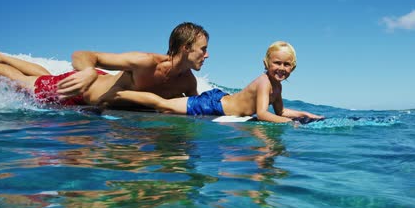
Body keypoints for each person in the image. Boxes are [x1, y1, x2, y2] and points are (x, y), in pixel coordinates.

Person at [0, 22, 210, 107]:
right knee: (24, 83)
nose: (207, 55)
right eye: (203, 49)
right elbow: (84, 54)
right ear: (186, 48)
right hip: (82, 90)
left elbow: (192, 107)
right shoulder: (145, 62)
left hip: (101, 83)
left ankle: (1, 57)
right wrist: (87, 71)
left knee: (45, 76)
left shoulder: (188, 81)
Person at [114, 41, 323, 123]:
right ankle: (119, 94)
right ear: (266, 63)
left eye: (287, 65)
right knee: (164, 105)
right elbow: (262, 113)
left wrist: (307, 115)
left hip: (219, 100)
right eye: (277, 63)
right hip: (214, 105)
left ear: (293, 68)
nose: (281, 68)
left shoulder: (276, 87)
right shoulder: (264, 83)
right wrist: (291, 124)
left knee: (167, 108)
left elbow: (280, 111)